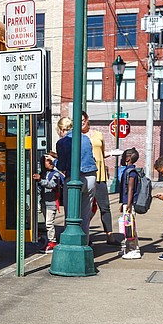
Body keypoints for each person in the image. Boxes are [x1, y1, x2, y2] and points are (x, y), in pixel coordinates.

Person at [55, 116, 97, 237]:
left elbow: (62, 165)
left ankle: (70, 240)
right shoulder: (85, 138)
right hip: (90, 177)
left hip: (74, 178)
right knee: (85, 213)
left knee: (70, 214)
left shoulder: (62, 142)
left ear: (62, 129)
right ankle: (84, 241)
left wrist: (53, 161)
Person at [81, 111, 117, 245]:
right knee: (85, 208)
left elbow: (101, 153)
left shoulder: (98, 135)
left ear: (87, 119)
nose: (81, 122)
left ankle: (110, 236)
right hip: (85, 173)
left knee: (105, 207)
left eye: (83, 119)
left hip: (100, 175)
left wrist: (113, 153)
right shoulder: (76, 137)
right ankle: (86, 237)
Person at [33, 153, 63, 253]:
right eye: (47, 161)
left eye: (51, 160)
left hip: (51, 203)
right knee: (46, 223)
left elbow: (52, 184)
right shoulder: (43, 173)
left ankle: (52, 242)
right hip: (44, 202)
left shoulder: (55, 174)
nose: (50, 162)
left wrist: (40, 180)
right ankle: (48, 239)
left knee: (49, 223)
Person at [119, 147, 141, 259]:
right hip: (126, 203)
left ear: (128, 158)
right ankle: (130, 248)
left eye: (123, 157)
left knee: (129, 227)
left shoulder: (131, 172)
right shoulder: (129, 171)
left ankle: (133, 250)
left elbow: (131, 189)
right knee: (128, 226)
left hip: (129, 204)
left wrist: (128, 204)